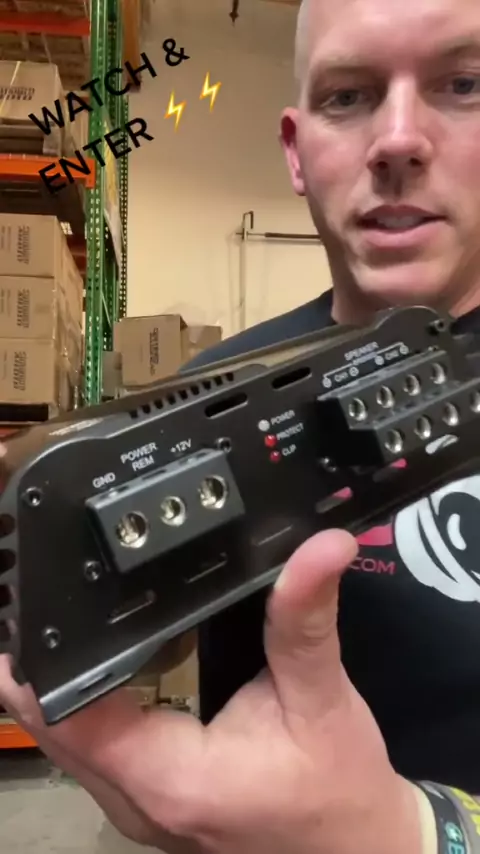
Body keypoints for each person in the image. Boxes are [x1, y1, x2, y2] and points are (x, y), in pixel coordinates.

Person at [1, 0, 480, 851]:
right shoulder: (204, 402)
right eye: (348, 95)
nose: (399, 139)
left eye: (464, 84)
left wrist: (417, 833)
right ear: (296, 151)